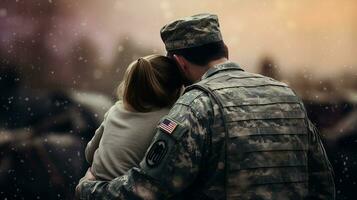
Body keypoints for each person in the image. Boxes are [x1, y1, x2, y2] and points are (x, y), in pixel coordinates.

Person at [76, 13, 335, 200]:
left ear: (180, 63)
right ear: (225, 50)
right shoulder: (286, 95)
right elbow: (322, 181)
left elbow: (148, 190)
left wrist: (88, 189)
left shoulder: (194, 106)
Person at [83, 55, 183, 181]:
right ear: (175, 89)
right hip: (124, 191)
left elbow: (89, 153)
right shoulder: (167, 119)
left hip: (92, 185)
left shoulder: (115, 109)